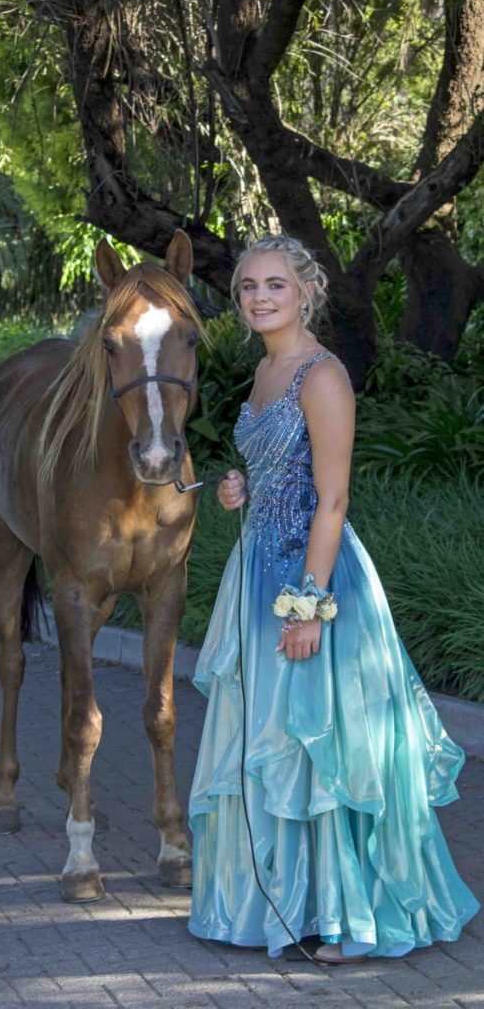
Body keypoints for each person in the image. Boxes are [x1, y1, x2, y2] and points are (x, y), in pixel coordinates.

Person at [187, 235, 479, 963]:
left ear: (306, 292)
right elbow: (277, 470)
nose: (259, 297)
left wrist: (309, 606)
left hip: (313, 580)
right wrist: (240, 487)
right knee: (276, 739)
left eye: (275, 285)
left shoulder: (321, 376)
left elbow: (334, 499)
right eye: (249, 286)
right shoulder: (265, 370)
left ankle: (347, 918)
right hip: (260, 571)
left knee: (321, 743)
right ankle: (288, 904)